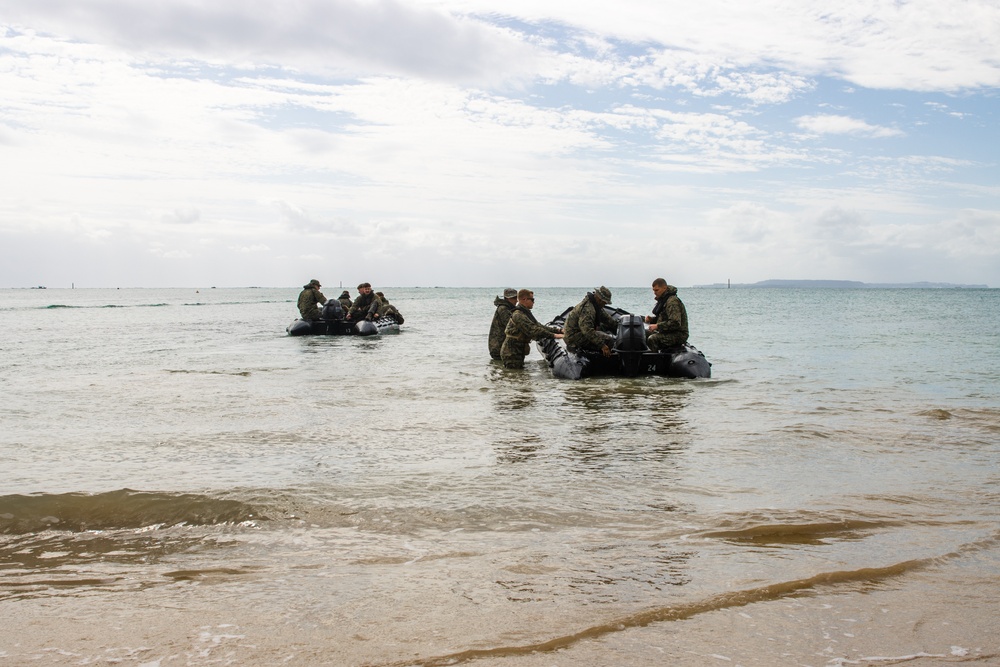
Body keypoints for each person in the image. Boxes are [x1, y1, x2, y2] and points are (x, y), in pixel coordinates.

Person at [500, 289, 563, 369]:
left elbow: (539, 326)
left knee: (517, 376)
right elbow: (533, 330)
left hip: (517, 351)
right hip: (511, 353)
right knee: (514, 377)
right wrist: (554, 335)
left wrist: (559, 330)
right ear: (524, 299)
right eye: (532, 299)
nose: (533, 302)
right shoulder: (518, 315)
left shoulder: (525, 313)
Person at [562, 286, 617, 357]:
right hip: (573, 337)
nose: (605, 304)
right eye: (605, 302)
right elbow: (587, 331)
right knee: (608, 340)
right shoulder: (588, 309)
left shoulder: (595, 305)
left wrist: (619, 325)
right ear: (600, 300)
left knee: (604, 333)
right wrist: (602, 345)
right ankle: (604, 362)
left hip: (578, 333)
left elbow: (607, 319)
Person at [645, 277, 689, 351]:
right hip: (668, 332)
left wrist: (657, 326)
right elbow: (663, 317)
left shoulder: (672, 302)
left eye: (657, 290)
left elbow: (675, 323)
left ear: (664, 288)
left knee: (652, 339)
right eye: (653, 290)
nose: (655, 293)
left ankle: (657, 360)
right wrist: (651, 320)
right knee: (643, 333)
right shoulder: (664, 300)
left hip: (678, 334)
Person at [488, 288, 518, 360]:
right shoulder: (503, 309)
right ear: (507, 299)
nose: (516, 300)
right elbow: (511, 326)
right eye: (514, 298)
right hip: (498, 348)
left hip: (499, 347)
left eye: (516, 297)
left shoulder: (507, 308)